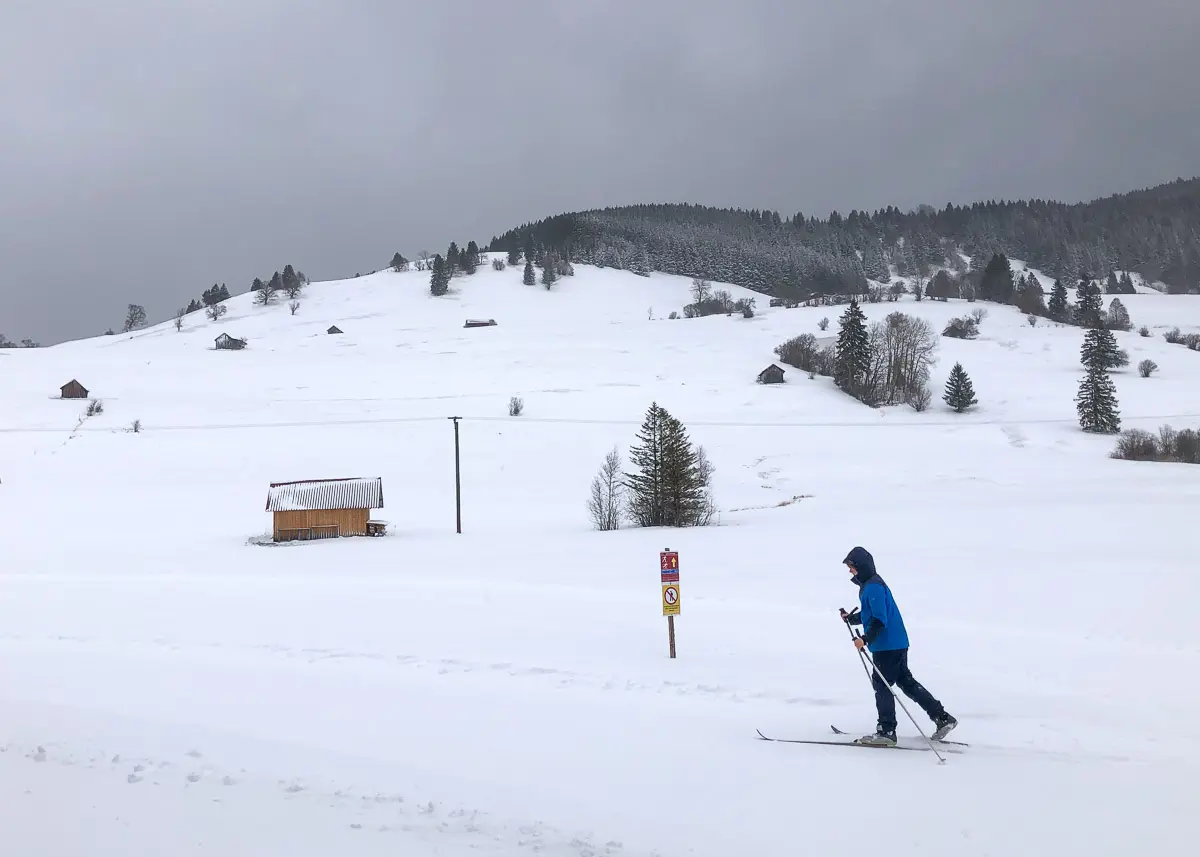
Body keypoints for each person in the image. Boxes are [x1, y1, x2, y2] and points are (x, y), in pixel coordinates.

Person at [839, 546, 957, 746]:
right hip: (896, 642)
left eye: (851, 567)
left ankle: (887, 731)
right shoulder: (872, 585)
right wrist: (852, 619)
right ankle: (942, 718)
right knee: (906, 683)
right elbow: (871, 613)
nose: (850, 571)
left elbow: (879, 619)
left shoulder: (873, 587)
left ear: (861, 566)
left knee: (882, 684)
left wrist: (865, 639)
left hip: (887, 645)